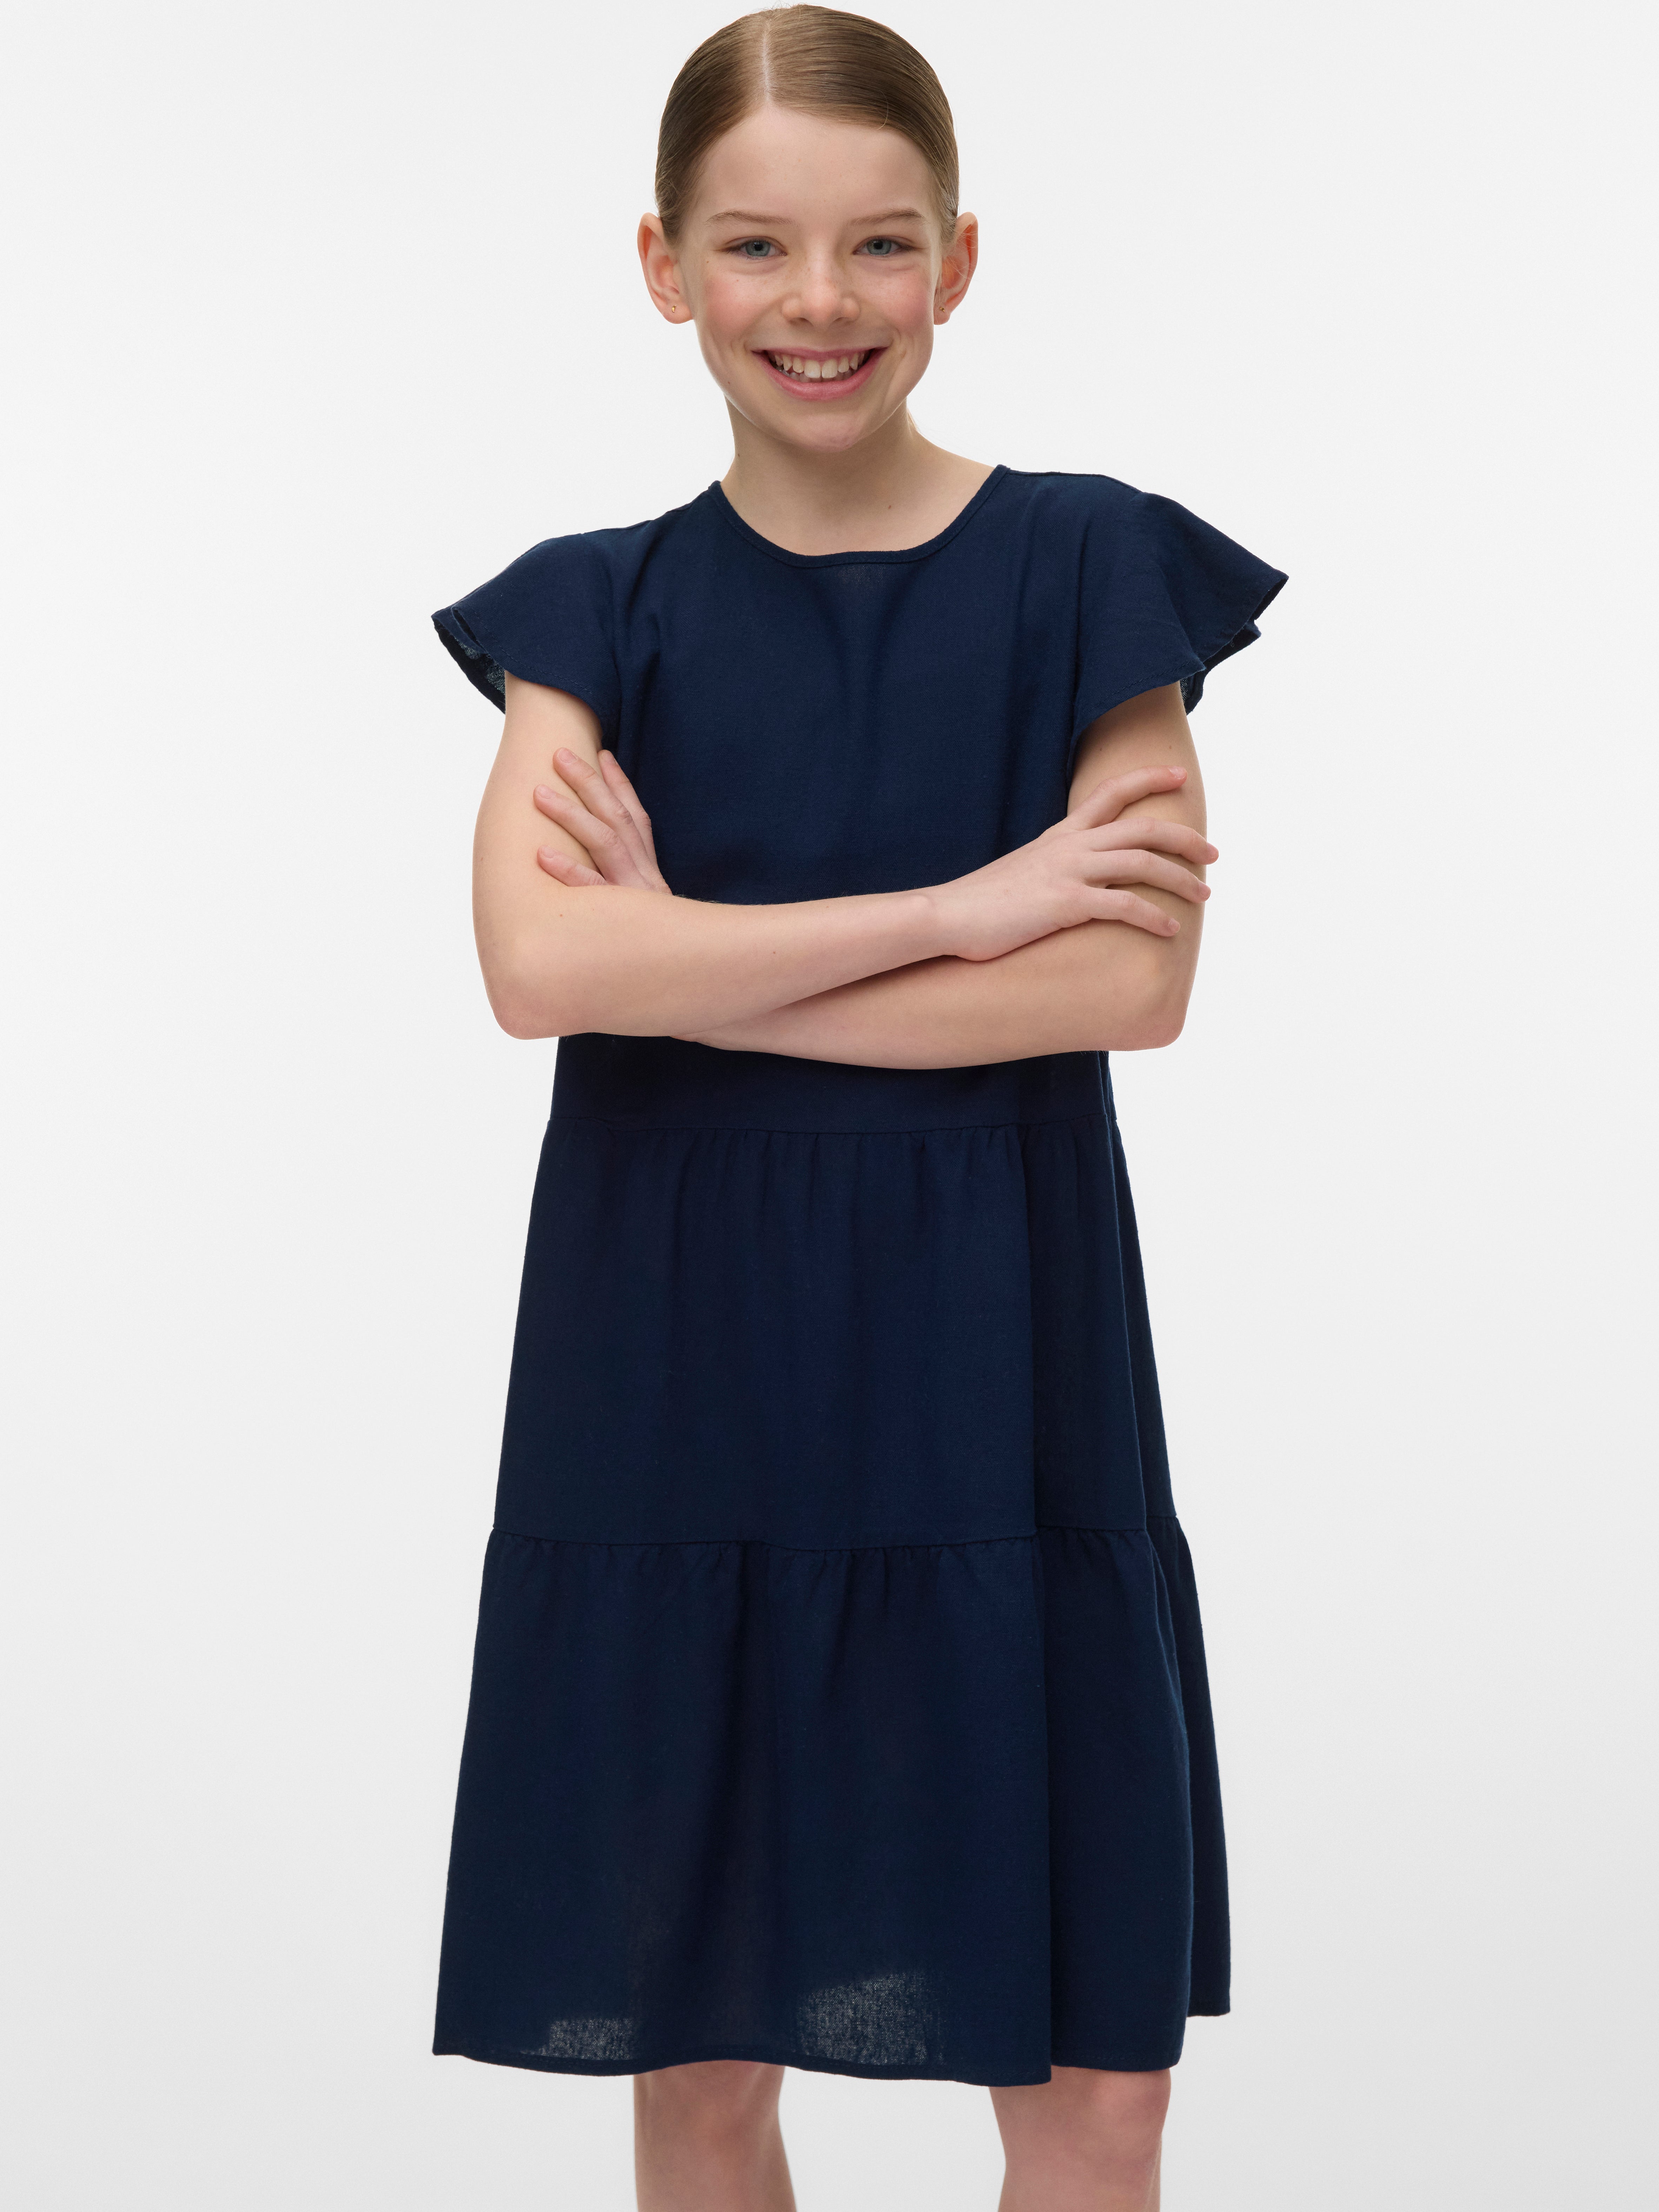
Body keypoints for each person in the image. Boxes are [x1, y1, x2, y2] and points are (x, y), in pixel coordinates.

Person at [430, 10, 1285, 2207]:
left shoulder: (1093, 567)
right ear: (663, 265)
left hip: (1001, 1367)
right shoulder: (592, 611)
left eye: (878, 244)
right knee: (699, 2051)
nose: (818, 301)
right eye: (755, 245)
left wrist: (696, 964)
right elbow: (541, 973)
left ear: (956, 261)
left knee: (1094, 2084)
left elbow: (1131, 984)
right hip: (677, 1372)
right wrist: (956, 913)